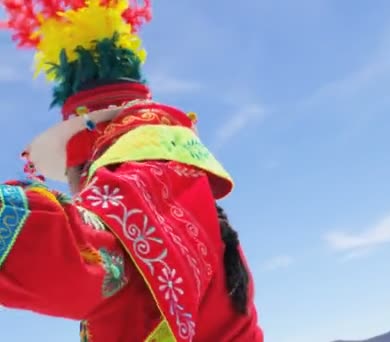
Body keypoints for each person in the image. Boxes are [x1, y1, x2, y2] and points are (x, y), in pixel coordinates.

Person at [0, 0, 264, 341]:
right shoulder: (177, 191)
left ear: (88, 163)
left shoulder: (144, 184)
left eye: (71, 178)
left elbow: (73, 253)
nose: (76, 193)